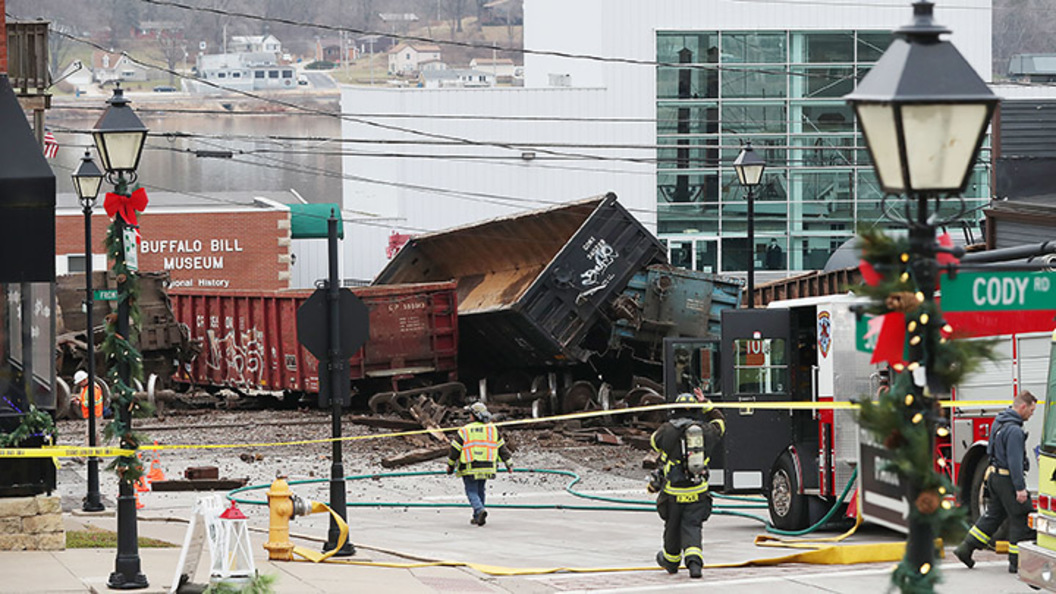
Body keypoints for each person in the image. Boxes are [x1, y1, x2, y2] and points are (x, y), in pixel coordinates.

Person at [954, 390, 1038, 573]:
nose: (1031, 415)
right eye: (1031, 410)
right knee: (1021, 518)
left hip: (994, 477)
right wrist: (1020, 488)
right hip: (1008, 479)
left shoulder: (999, 422)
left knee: (993, 516)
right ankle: (1017, 563)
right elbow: (1014, 462)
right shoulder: (1014, 430)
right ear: (1023, 406)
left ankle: (965, 548)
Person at [648, 389, 726, 578]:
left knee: (672, 526)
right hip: (698, 490)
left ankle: (671, 561)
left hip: (673, 492)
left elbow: (654, 443)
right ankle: (694, 564)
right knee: (692, 526)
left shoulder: (667, 430)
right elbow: (721, 424)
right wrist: (706, 404)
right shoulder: (706, 431)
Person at [446, 402, 513, 526]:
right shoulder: (492, 429)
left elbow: (454, 449)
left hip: (470, 466)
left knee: (471, 491)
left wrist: (450, 465)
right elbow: (502, 448)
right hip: (488, 466)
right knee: (480, 489)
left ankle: (479, 510)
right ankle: (477, 516)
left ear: (474, 416)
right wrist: (509, 464)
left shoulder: (465, 430)